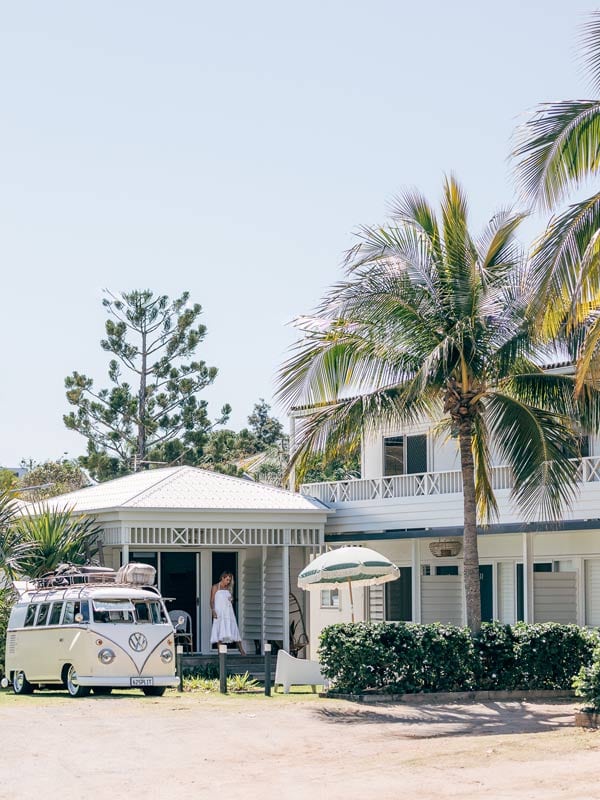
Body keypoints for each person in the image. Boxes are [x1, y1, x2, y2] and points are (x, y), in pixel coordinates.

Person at [210, 572, 245, 655]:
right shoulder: (215, 587)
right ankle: (220, 652)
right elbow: (211, 601)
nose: (228, 582)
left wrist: (231, 599)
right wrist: (213, 610)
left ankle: (241, 650)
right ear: (222, 578)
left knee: (234, 629)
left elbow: (230, 601)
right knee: (219, 630)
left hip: (228, 612)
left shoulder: (228, 588)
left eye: (229, 580)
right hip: (219, 612)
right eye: (227, 579)